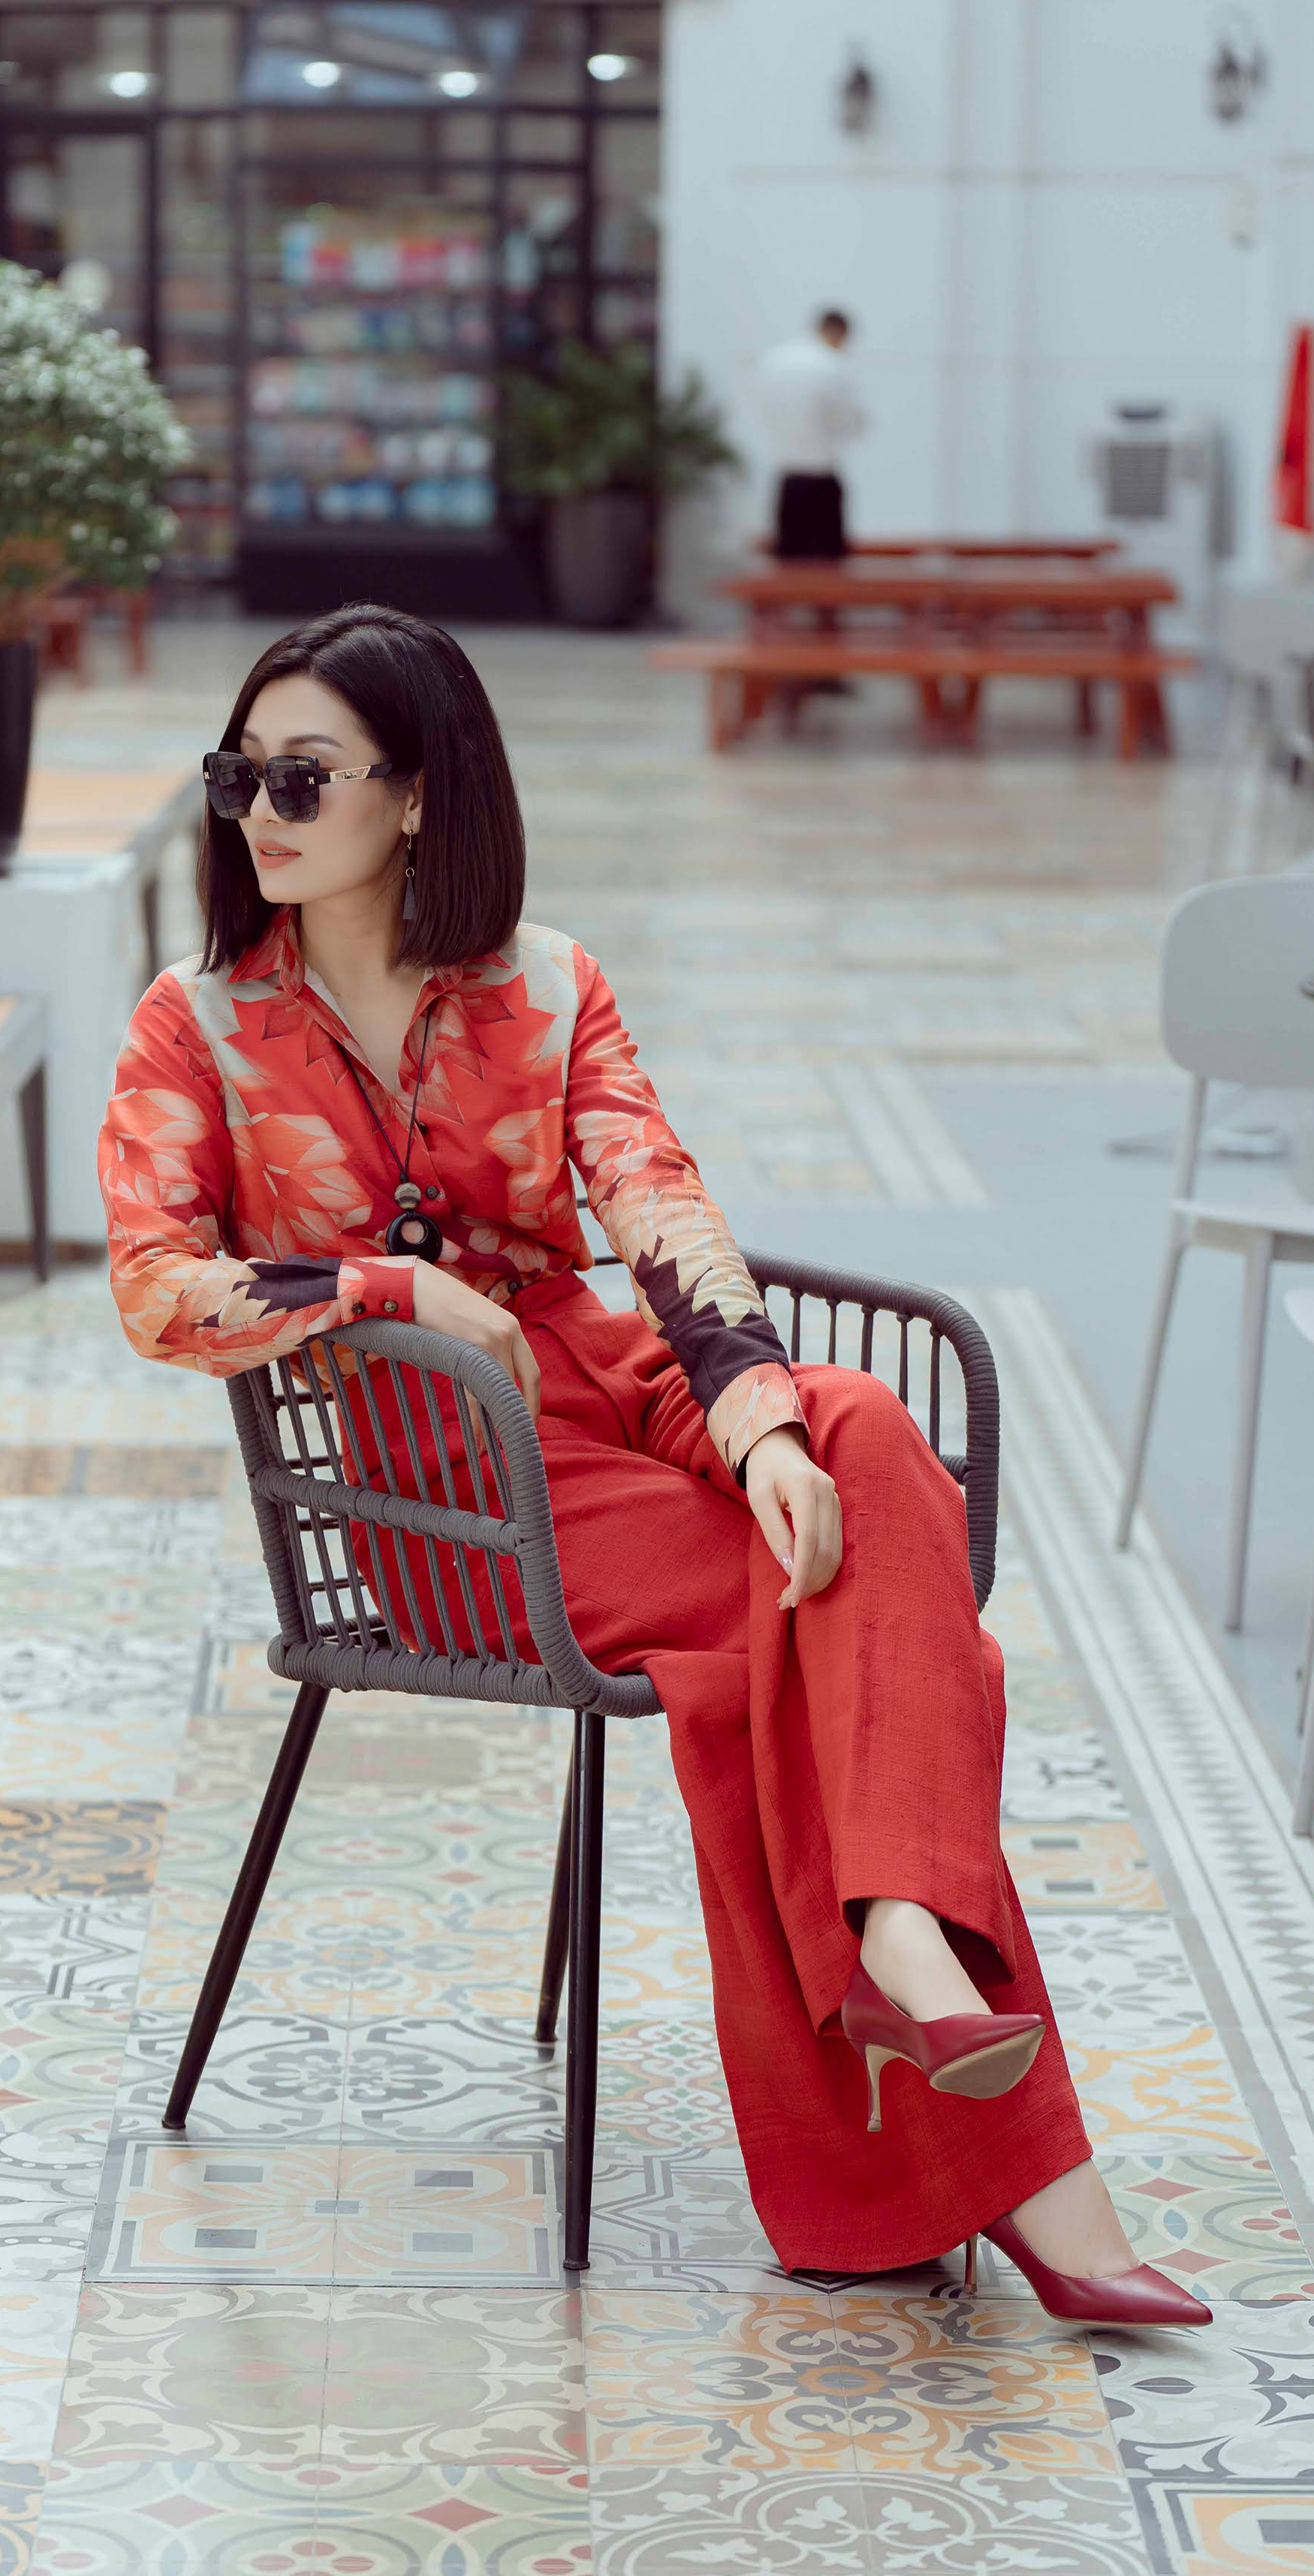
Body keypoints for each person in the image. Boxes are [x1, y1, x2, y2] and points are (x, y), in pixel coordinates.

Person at [97, 603, 1207, 2327]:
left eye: (302, 775)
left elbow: (655, 1199)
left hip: (609, 1377)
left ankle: (900, 1932)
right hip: (436, 1473)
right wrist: (396, 1289)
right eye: (239, 775)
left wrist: (753, 1417)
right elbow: (155, 1285)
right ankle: (1009, 2132)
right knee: (825, 1620)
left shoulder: (545, 983)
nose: (261, 810)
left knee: (858, 1437)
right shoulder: (199, 1023)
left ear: (416, 790)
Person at [760, 306, 866, 562]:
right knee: (827, 563)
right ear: (838, 333)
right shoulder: (831, 366)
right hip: (821, 475)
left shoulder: (775, 362)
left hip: (788, 476)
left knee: (789, 562)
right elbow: (849, 422)